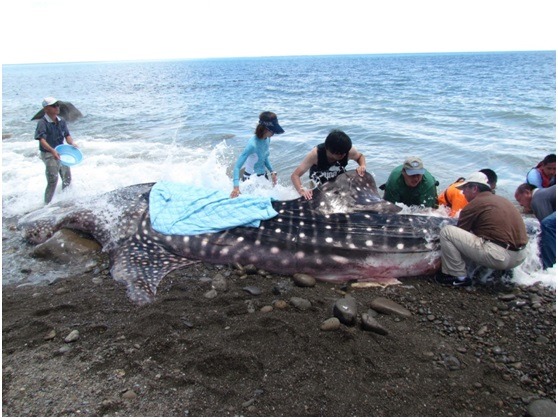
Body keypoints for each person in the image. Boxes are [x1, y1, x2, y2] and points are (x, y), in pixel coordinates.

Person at [435, 172, 528, 287]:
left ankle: (457, 276)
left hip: (500, 258)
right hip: (520, 256)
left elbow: (460, 232)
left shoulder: (473, 205)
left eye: (465, 188)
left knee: (447, 232)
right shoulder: (503, 201)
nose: (463, 192)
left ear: (474, 188)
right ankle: (503, 273)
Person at [290, 130, 366, 200]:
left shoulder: (347, 150)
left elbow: (360, 156)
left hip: (339, 180)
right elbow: (295, 175)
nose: (343, 155)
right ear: (328, 150)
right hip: (318, 183)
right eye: (339, 154)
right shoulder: (315, 155)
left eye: (345, 153)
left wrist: (362, 165)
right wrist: (302, 191)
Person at [34, 97, 79, 204]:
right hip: (48, 153)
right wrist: (52, 151)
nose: (57, 107)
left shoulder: (61, 121)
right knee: (52, 181)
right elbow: (42, 140)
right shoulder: (42, 122)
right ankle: (46, 205)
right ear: (46, 109)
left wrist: (72, 143)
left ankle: (65, 202)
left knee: (67, 178)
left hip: (61, 152)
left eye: (57, 105)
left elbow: (67, 135)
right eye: (53, 106)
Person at [230, 112, 284, 198]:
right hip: (251, 179)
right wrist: (236, 187)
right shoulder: (252, 145)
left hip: (263, 176)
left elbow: (264, 157)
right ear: (265, 129)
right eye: (273, 130)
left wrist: (272, 171)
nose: (274, 133)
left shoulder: (267, 139)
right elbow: (237, 167)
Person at [515, 184, 556, 269]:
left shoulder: (536, 199)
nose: (521, 205)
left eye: (520, 200)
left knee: (547, 225)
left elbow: (546, 228)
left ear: (527, 193)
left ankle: (550, 267)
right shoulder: (544, 193)